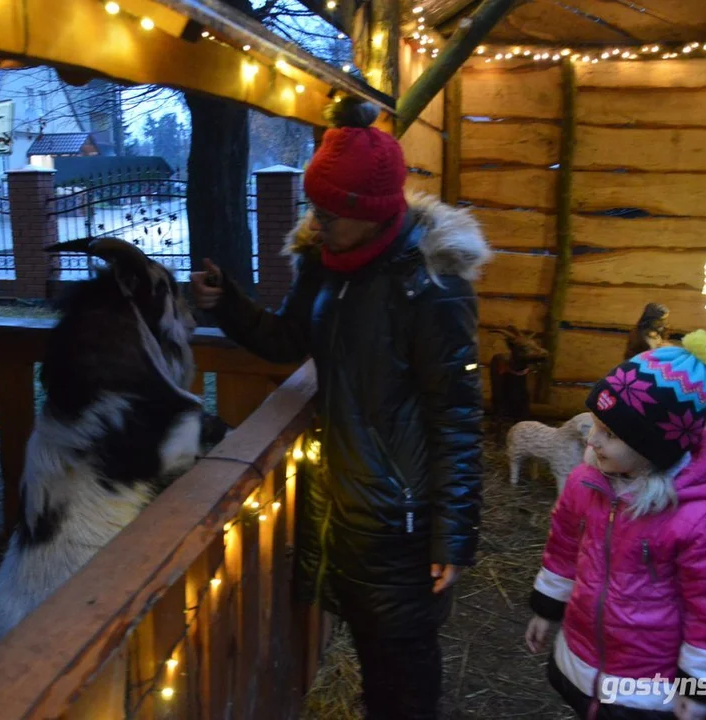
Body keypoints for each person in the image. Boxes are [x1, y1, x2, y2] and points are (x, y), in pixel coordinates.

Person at [190, 98, 491, 719]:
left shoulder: (430, 288)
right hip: (345, 506)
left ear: (371, 212)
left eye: (328, 210)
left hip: (403, 521)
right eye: (314, 205)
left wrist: (453, 534)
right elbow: (287, 339)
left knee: (405, 671)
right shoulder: (324, 265)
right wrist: (227, 304)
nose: (315, 218)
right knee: (374, 659)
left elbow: (458, 417)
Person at [525, 330, 706, 720]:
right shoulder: (584, 484)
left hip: (646, 684)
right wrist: (546, 609)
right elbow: (562, 549)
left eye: (609, 433)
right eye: (595, 424)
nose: (592, 441)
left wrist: (700, 689)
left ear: (654, 445)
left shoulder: (699, 520)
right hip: (584, 656)